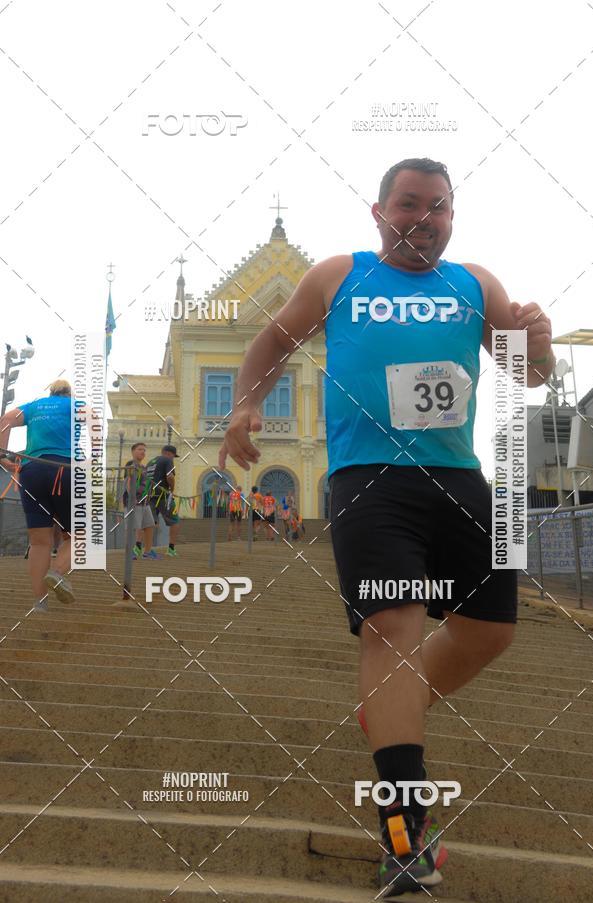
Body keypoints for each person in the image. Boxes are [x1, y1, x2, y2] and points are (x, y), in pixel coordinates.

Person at [218, 158, 554, 895]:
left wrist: (537, 336)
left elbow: (527, 373)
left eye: (439, 206)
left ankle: (390, 708)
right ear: (379, 211)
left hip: (460, 477)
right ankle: (405, 838)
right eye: (410, 203)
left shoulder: (475, 284)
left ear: (451, 218)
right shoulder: (343, 275)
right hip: (370, 480)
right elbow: (272, 342)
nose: (424, 217)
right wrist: (245, 404)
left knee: (491, 629)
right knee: (393, 632)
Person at [0, 379, 75, 611]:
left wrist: (3, 455)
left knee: (39, 541)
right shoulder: (75, 405)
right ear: (68, 394)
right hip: (65, 469)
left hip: (32, 469)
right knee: (79, 535)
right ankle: (57, 573)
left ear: (51, 392)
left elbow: (5, 420)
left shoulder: (34, 406)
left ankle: (40, 602)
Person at [122, 442, 158, 560]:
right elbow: (129, 482)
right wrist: (133, 498)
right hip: (134, 501)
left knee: (149, 525)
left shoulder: (143, 467)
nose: (142, 452)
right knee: (132, 527)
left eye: (144, 450)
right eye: (139, 449)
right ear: (133, 451)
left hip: (144, 502)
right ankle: (129, 552)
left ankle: (147, 551)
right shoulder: (131, 465)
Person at [145, 445, 180, 557]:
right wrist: (172, 489)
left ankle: (147, 550)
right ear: (169, 454)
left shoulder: (150, 462)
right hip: (163, 495)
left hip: (150, 495)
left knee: (150, 523)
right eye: (173, 456)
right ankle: (171, 549)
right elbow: (169, 476)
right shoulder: (167, 460)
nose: (173, 458)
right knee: (174, 521)